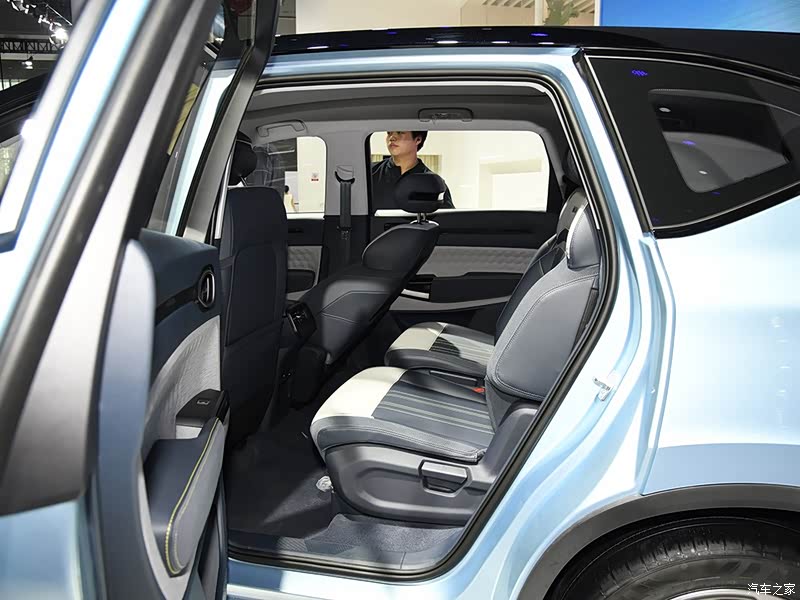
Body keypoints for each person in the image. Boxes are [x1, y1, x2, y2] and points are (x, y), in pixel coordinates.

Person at [371, 131, 454, 211]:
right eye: (389, 133)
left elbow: (447, 219)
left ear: (418, 139)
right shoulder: (369, 173)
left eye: (400, 132)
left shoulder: (433, 183)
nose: (392, 138)